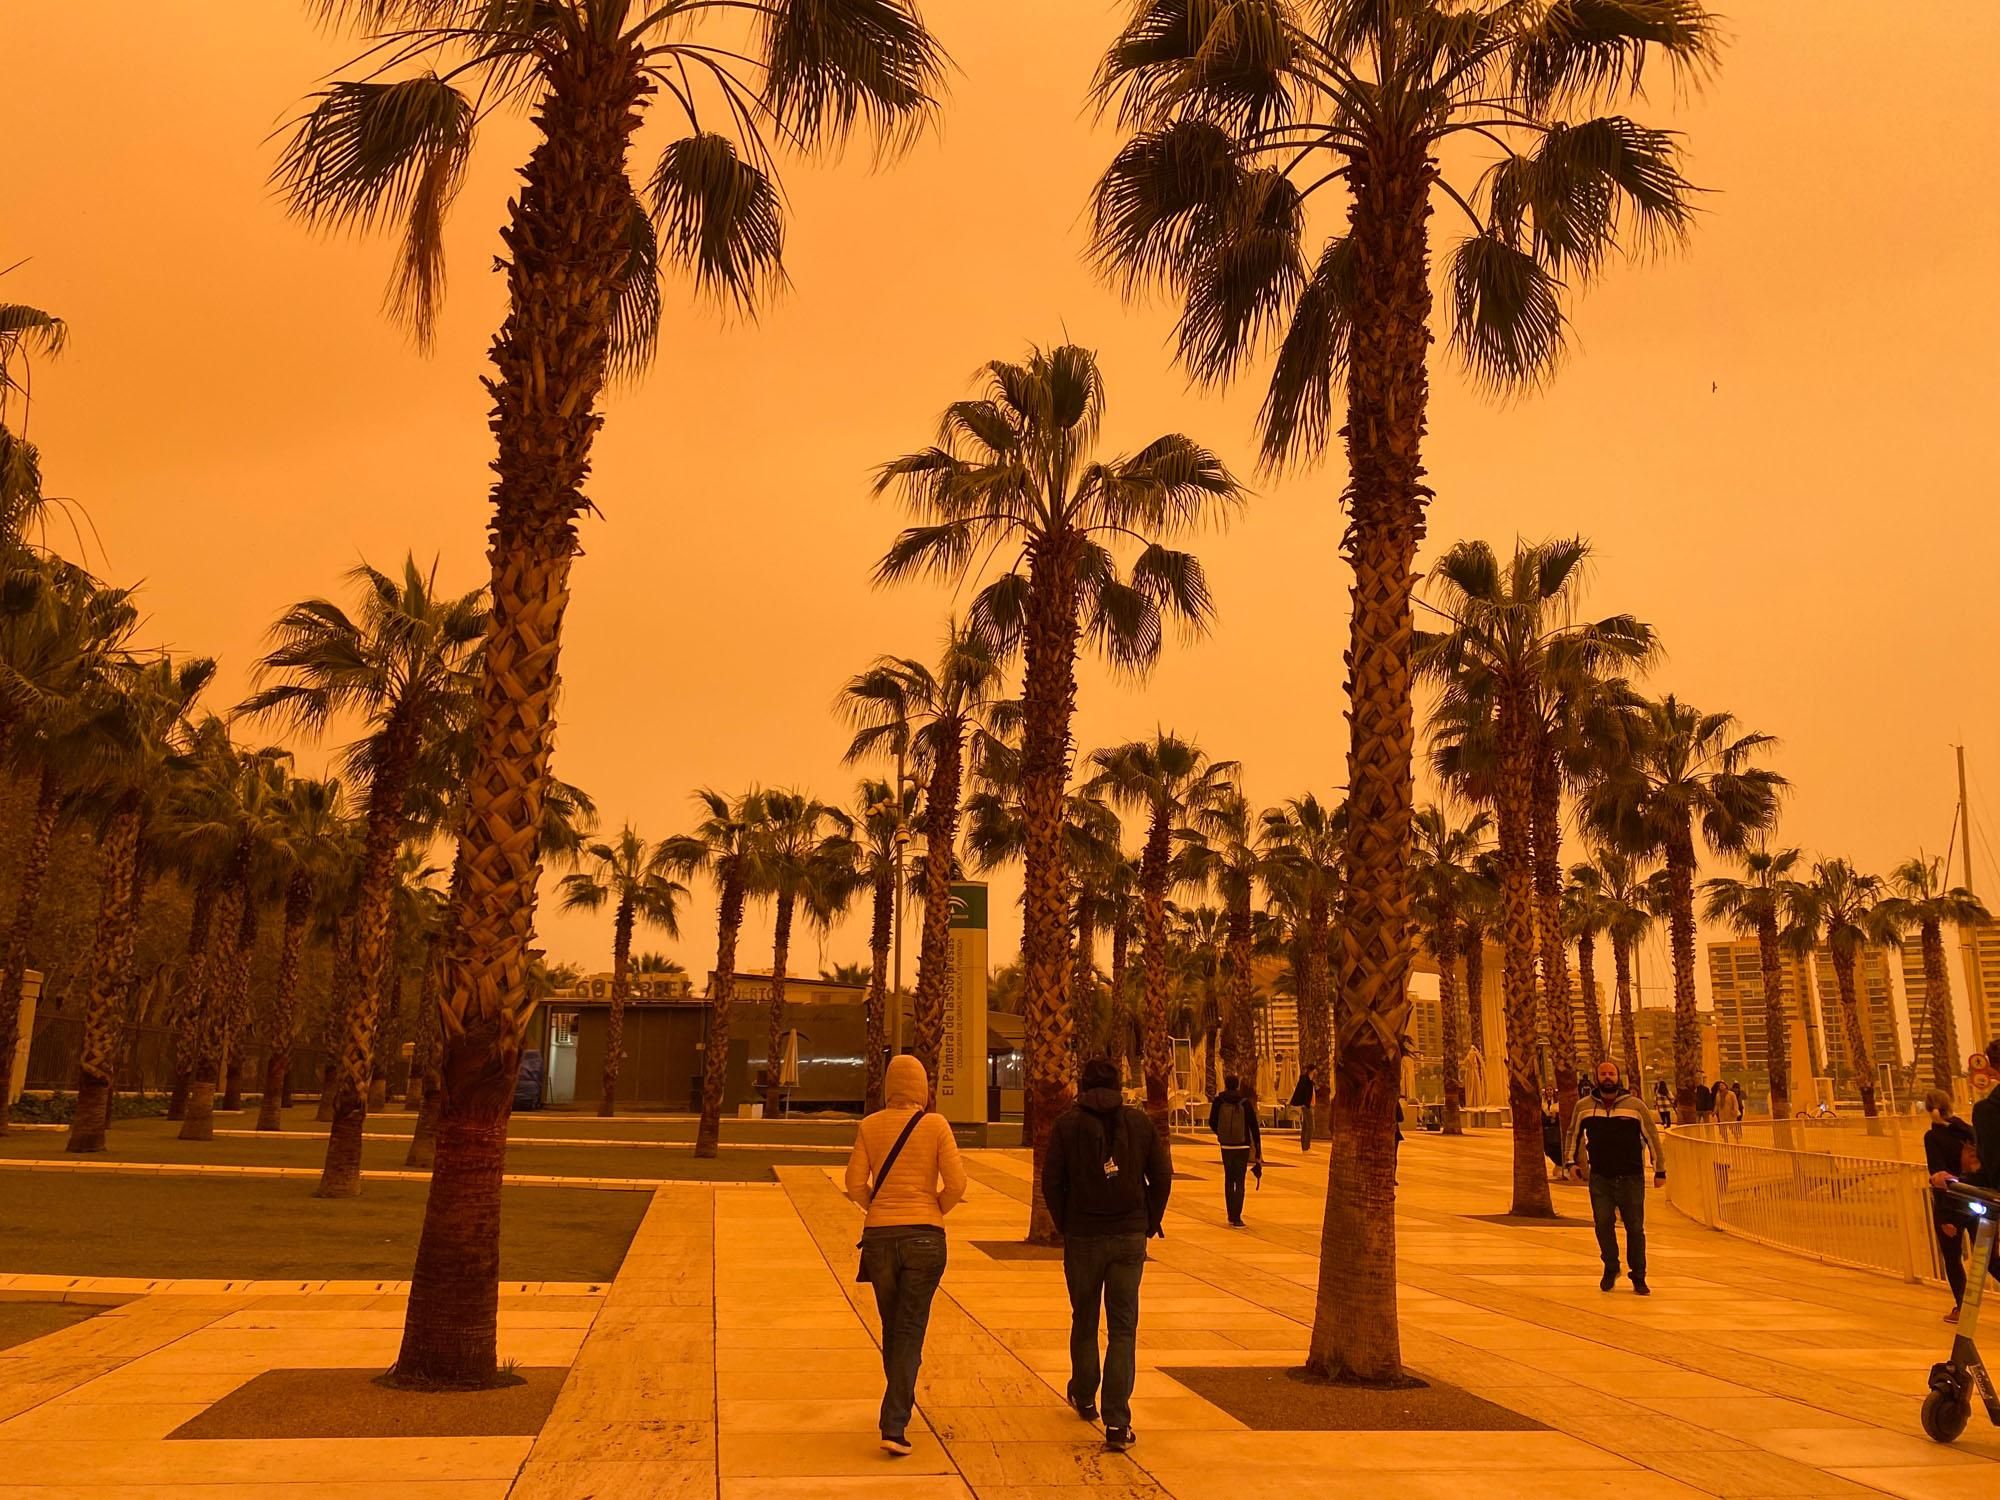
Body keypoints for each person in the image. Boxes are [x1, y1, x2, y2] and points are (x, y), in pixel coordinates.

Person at [1044, 1056, 1172, 1454]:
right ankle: (1117, 1420)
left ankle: (1084, 1394)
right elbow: (1162, 1175)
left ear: (1083, 1084)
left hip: (1083, 1234)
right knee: (1123, 1327)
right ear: (1118, 1084)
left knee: (1084, 1317)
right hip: (1128, 1235)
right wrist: (1148, 1220)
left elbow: (1052, 1182)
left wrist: (1066, 1222)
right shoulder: (1139, 1123)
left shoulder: (1067, 1124)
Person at [844, 1053, 967, 1456]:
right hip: (925, 1238)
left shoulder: (870, 1126)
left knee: (893, 1325)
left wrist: (876, 1208)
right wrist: (934, 1208)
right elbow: (957, 1183)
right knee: (910, 1328)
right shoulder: (935, 1125)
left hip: (879, 1238)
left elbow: (854, 1183)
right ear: (922, 1087)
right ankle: (894, 1422)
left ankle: (898, 1404)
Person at [1564, 1059, 1668, 1295]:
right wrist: (1570, 1163)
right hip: (1600, 1177)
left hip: (1631, 1177)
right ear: (1596, 1077)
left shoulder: (1635, 1106)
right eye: (1603, 1073)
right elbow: (1573, 1135)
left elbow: (1652, 1136)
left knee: (1634, 1228)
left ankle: (1638, 1275)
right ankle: (1611, 1267)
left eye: (1611, 1073)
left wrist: (1659, 1169)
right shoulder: (1584, 1106)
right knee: (1602, 1224)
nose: (1608, 1077)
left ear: (1618, 1077)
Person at [1923, 1088, 1996, 1323]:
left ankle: (1963, 1309)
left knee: (1953, 1259)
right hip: (1977, 1199)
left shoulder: (1933, 1137)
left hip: (1952, 1204)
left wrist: (1944, 1216)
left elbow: (1939, 1175)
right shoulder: (1968, 1130)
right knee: (1988, 1256)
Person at [1209, 1074, 1262, 1226]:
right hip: (1243, 1145)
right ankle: (1237, 1217)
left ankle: (1230, 1214)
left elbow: (1212, 1121)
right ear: (1238, 1085)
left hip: (1226, 1146)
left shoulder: (1219, 1101)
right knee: (1240, 1180)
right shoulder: (1245, 1102)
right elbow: (1254, 1126)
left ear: (1225, 1084)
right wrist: (1257, 1149)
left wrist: (1221, 1134)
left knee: (1228, 1179)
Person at [1289, 1066, 1316, 1151]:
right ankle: (1306, 1147)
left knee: (1305, 1126)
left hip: (1309, 1105)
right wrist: (1305, 1104)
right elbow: (1304, 1093)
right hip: (1307, 1106)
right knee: (1311, 1127)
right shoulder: (1306, 1080)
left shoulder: (1309, 1081)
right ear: (1312, 1071)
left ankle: (1305, 1147)